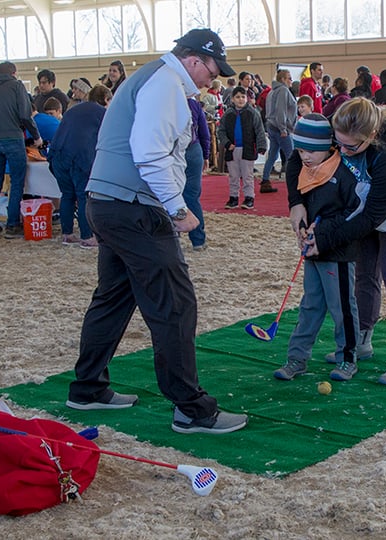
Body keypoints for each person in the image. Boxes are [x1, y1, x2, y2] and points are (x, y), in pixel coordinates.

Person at [68, 27, 248, 434]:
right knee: (175, 304)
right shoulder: (165, 83)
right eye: (214, 70)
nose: (213, 80)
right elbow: (150, 154)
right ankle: (191, 409)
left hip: (108, 203)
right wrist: (178, 208)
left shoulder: (152, 78)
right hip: (134, 208)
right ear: (194, 60)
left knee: (114, 297)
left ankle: (87, 388)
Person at [294, 97, 386, 386]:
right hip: (369, 200)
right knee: (363, 272)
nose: (344, 152)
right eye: (339, 144)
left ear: (373, 135)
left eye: (352, 147)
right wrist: (295, 203)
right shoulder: (345, 131)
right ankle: (362, 339)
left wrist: (324, 238)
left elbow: (373, 214)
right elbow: (305, 153)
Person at [273, 114, 362, 382]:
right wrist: (303, 228)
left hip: (339, 253)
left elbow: (353, 212)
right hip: (312, 251)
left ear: (328, 145)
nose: (305, 156)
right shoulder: (303, 170)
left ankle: (347, 357)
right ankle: (297, 358)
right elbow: (302, 205)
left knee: (342, 307)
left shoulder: (345, 173)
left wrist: (321, 231)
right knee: (310, 305)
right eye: (300, 150)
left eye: (311, 150)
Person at [0, 61, 41, 238]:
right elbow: (25, 114)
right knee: (16, 182)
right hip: (13, 138)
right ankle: (12, 225)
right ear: (14, 73)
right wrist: (36, 136)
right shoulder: (17, 86)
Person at [48, 85, 111, 248]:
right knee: (83, 196)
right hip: (79, 158)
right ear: (106, 99)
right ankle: (87, 237)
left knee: (67, 195)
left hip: (58, 155)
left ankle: (67, 234)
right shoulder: (102, 113)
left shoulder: (73, 110)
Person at [217, 86, 267, 210]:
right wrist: (227, 143)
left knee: (247, 175)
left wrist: (261, 145)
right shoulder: (228, 114)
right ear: (232, 99)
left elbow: (259, 130)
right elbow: (220, 131)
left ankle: (249, 197)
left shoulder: (252, 113)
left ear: (247, 98)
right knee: (233, 175)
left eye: (243, 97)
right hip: (232, 149)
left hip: (248, 149)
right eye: (238, 97)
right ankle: (233, 197)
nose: (240, 99)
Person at [260, 68, 297, 194]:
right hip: (280, 129)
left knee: (273, 155)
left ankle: (265, 180)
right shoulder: (283, 90)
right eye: (289, 78)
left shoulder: (272, 91)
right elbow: (281, 111)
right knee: (292, 157)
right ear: (283, 79)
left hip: (271, 126)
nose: (291, 80)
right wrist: (283, 129)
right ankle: (296, 184)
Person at [182, 95, 210, 251]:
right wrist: (206, 155)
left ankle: (172, 236)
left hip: (172, 152)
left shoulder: (165, 100)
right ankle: (198, 240)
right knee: (192, 196)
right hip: (193, 149)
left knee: (168, 194)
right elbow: (204, 133)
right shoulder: (194, 104)